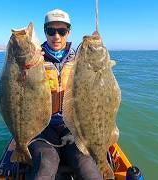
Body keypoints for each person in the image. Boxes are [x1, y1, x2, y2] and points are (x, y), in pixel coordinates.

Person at [26, 9, 103, 180]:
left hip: (73, 128)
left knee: (88, 167)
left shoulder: (81, 60)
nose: (57, 36)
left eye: (62, 31)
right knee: (46, 164)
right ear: (45, 31)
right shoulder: (33, 60)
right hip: (41, 128)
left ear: (69, 32)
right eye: (51, 31)